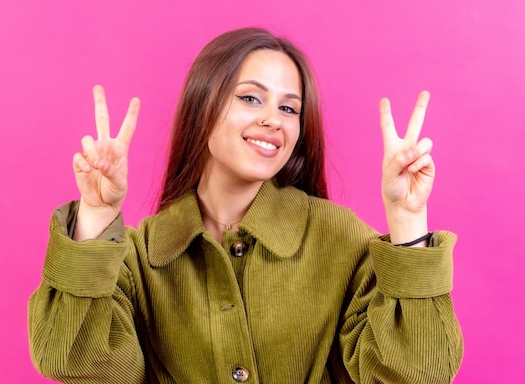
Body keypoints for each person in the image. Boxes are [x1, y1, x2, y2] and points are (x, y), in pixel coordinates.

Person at [28, 28, 463, 383]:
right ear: (204, 104)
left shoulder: (339, 237)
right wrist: (97, 217)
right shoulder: (141, 257)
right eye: (251, 98)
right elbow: (70, 360)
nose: (273, 119)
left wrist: (408, 221)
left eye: (289, 108)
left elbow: (419, 372)